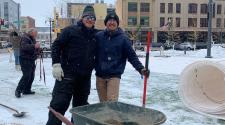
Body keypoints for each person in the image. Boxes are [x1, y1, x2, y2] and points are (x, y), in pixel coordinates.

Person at [46, 5, 98, 125]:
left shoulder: (96, 35)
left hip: (84, 78)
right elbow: (56, 45)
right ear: (82, 18)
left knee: (80, 109)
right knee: (59, 104)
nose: (90, 20)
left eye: (93, 18)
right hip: (67, 75)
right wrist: (56, 64)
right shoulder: (70, 30)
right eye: (87, 17)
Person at [95, 12, 149, 102]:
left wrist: (141, 69)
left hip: (114, 76)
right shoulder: (99, 36)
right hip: (100, 76)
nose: (112, 22)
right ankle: (106, 116)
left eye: (114, 20)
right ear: (106, 23)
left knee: (112, 103)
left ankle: (112, 116)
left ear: (117, 23)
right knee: (102, 104)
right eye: (109, 20)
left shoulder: (123, 39)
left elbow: (132, 56)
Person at [15, 28, 40, 98]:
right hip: (25, 59)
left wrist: (38, 50)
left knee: (31, 75)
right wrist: (34, 46)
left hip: (31, 59)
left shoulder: (32, 38)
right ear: (31, 32)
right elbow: (24, 47)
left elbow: (34, 49)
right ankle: (18, 90)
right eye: (36, 33)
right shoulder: (25, 38)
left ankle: (26, 90)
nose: (36, 34)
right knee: (26, 75)